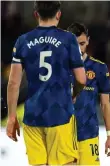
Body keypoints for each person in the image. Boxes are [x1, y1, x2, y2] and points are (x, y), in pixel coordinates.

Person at [6, 1, 86, 165]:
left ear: (36, 14)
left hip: (33, 115)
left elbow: (13, 83)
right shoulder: (68, 39)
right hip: (60, 113)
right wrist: (74, 94)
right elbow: (81, 79)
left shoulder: (23, 41)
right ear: (58, 14)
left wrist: (12, 117)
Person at [67, 22, 110, 165]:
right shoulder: (59, 67)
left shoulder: (99, 68)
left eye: (82, 43)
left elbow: (105, 104)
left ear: (88, 40)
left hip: (89, 135)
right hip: (62, 136)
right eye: (75, 44)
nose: (79, 49)